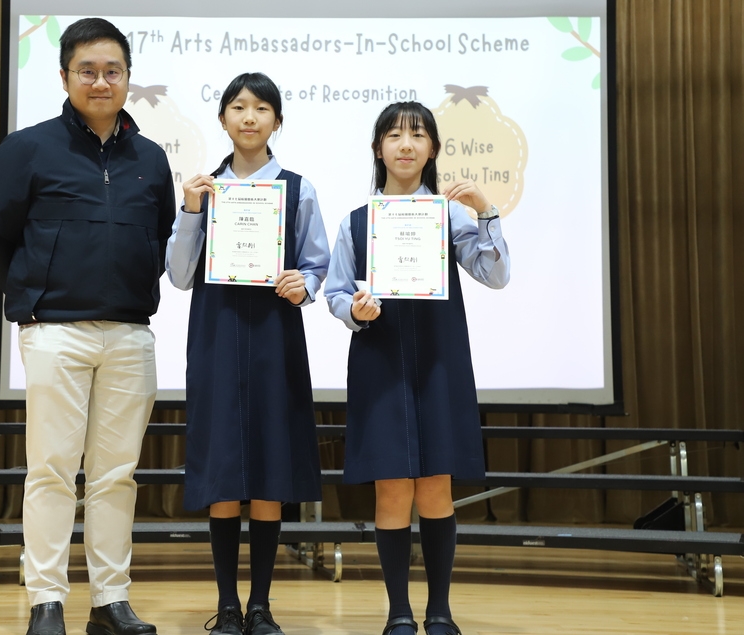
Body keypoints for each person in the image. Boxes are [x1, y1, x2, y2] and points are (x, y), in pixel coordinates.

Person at [0, 18, 176, 635]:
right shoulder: (27, 147)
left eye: (113, 71)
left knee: (117, 475)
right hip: (55, 333)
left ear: (128, 78)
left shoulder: (151, 159)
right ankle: (46, 602)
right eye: (87, 70)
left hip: (130, 336)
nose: (101, 81)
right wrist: (33, 295)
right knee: (52, 471)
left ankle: (111, 602)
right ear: (64, 76)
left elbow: (161, 237)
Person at [323, 101, 510, 635]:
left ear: (432, 150)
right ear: (378, 148)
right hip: (380, 363)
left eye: (418, 135)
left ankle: (440, 611)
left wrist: (486, 211)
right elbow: (336, 293)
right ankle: (399, 613)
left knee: (435, 488)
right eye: (395, 135)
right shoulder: (356, 221)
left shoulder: (450, 215)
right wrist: (355, 311)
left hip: (438, 362)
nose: (406, 145)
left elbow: (495, 275)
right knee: (391, 490)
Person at [165, 72, 330, 635]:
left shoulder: (298, 189)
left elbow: (317, 265)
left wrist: (304, 285)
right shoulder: (204, 190)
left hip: (274, 338)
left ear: (277, 121)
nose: (250, 116)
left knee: (269, 468)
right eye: (238, 106)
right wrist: (191, 211)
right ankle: (228, 605)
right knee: (222, 471)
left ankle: (260, 605)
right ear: (223, 120)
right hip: (216, 335)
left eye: (262, 108)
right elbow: (180, 275)